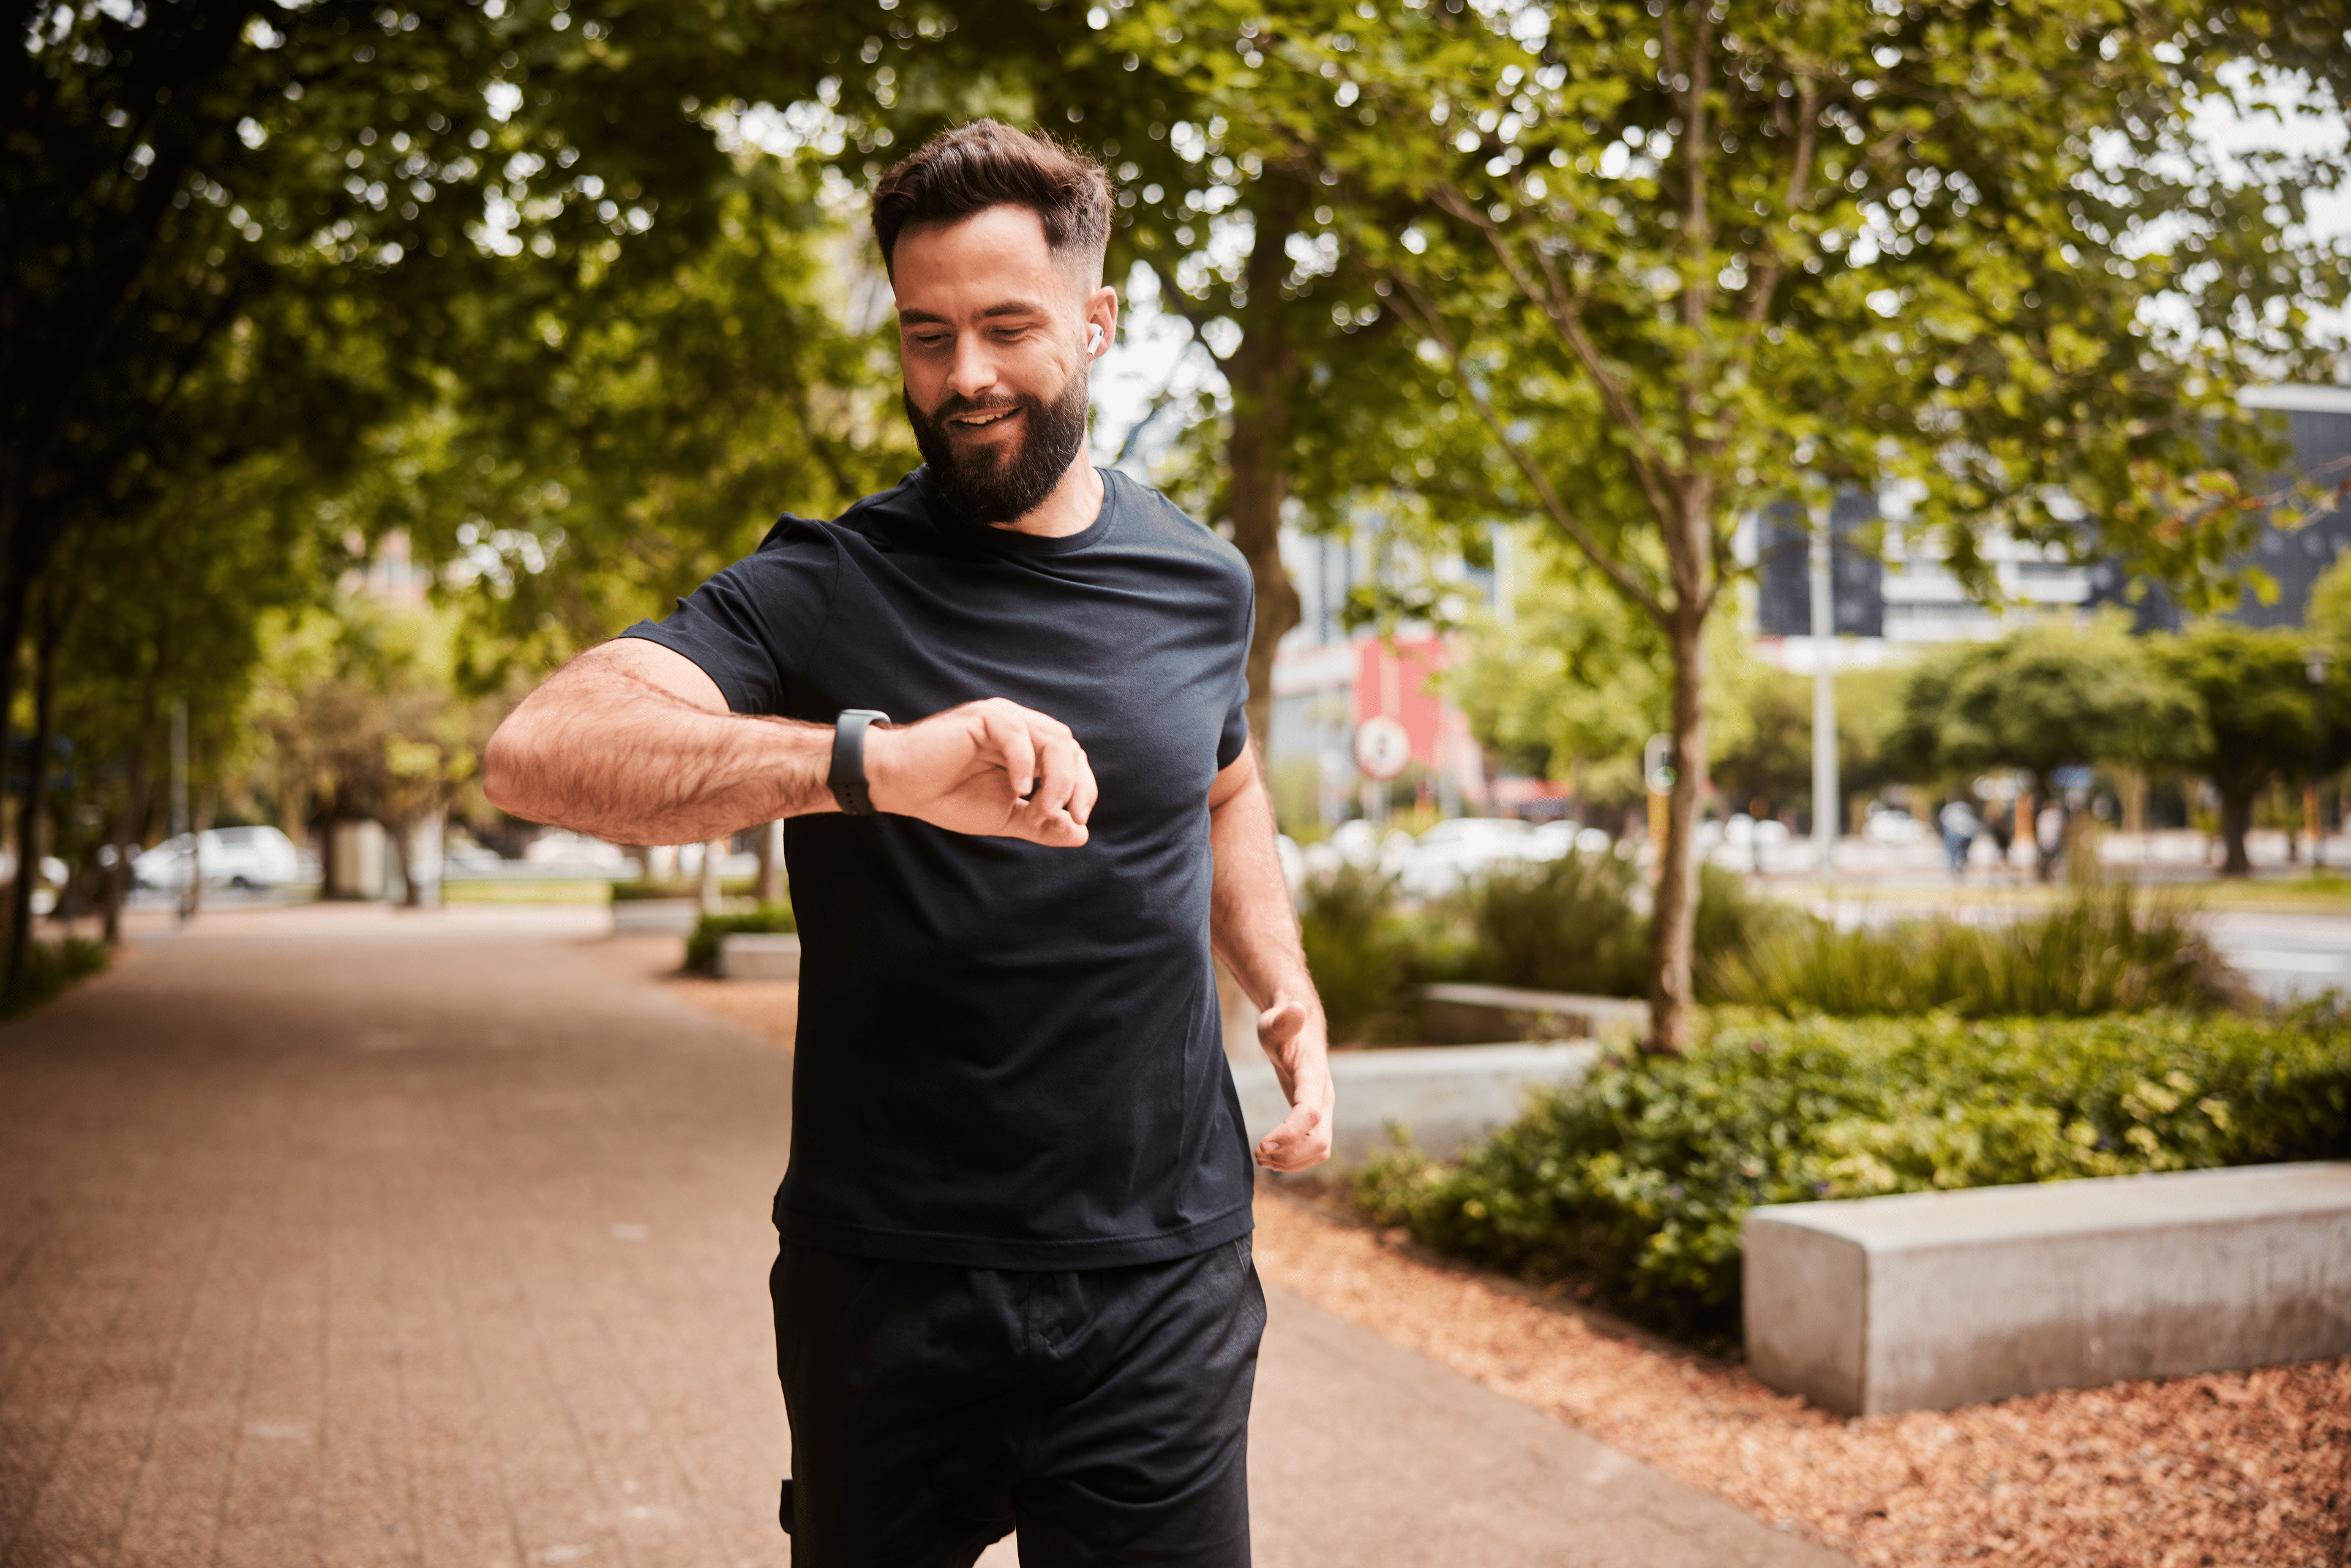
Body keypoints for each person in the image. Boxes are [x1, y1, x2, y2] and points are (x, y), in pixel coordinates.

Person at [482, 121, 1333, 1567]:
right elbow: (538, 748)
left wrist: (1283, 987)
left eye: (1007, 326)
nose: (965, 375)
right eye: (926, 335)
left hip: (1164, 1272)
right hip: (887, 1278)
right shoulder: (825, 581)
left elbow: (1221, 786)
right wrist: (873, 763)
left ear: (1096, 320)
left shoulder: (1203, 579)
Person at [1938, 796, 1979, 878]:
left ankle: (1955, 866)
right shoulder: (1967, 813)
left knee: (1953, 853)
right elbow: (1974, 826)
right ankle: (1960, 862)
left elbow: (1945, 824)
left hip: (1954, 835)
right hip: (1966, 836)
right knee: (1962, 852)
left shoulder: (1950, 813)